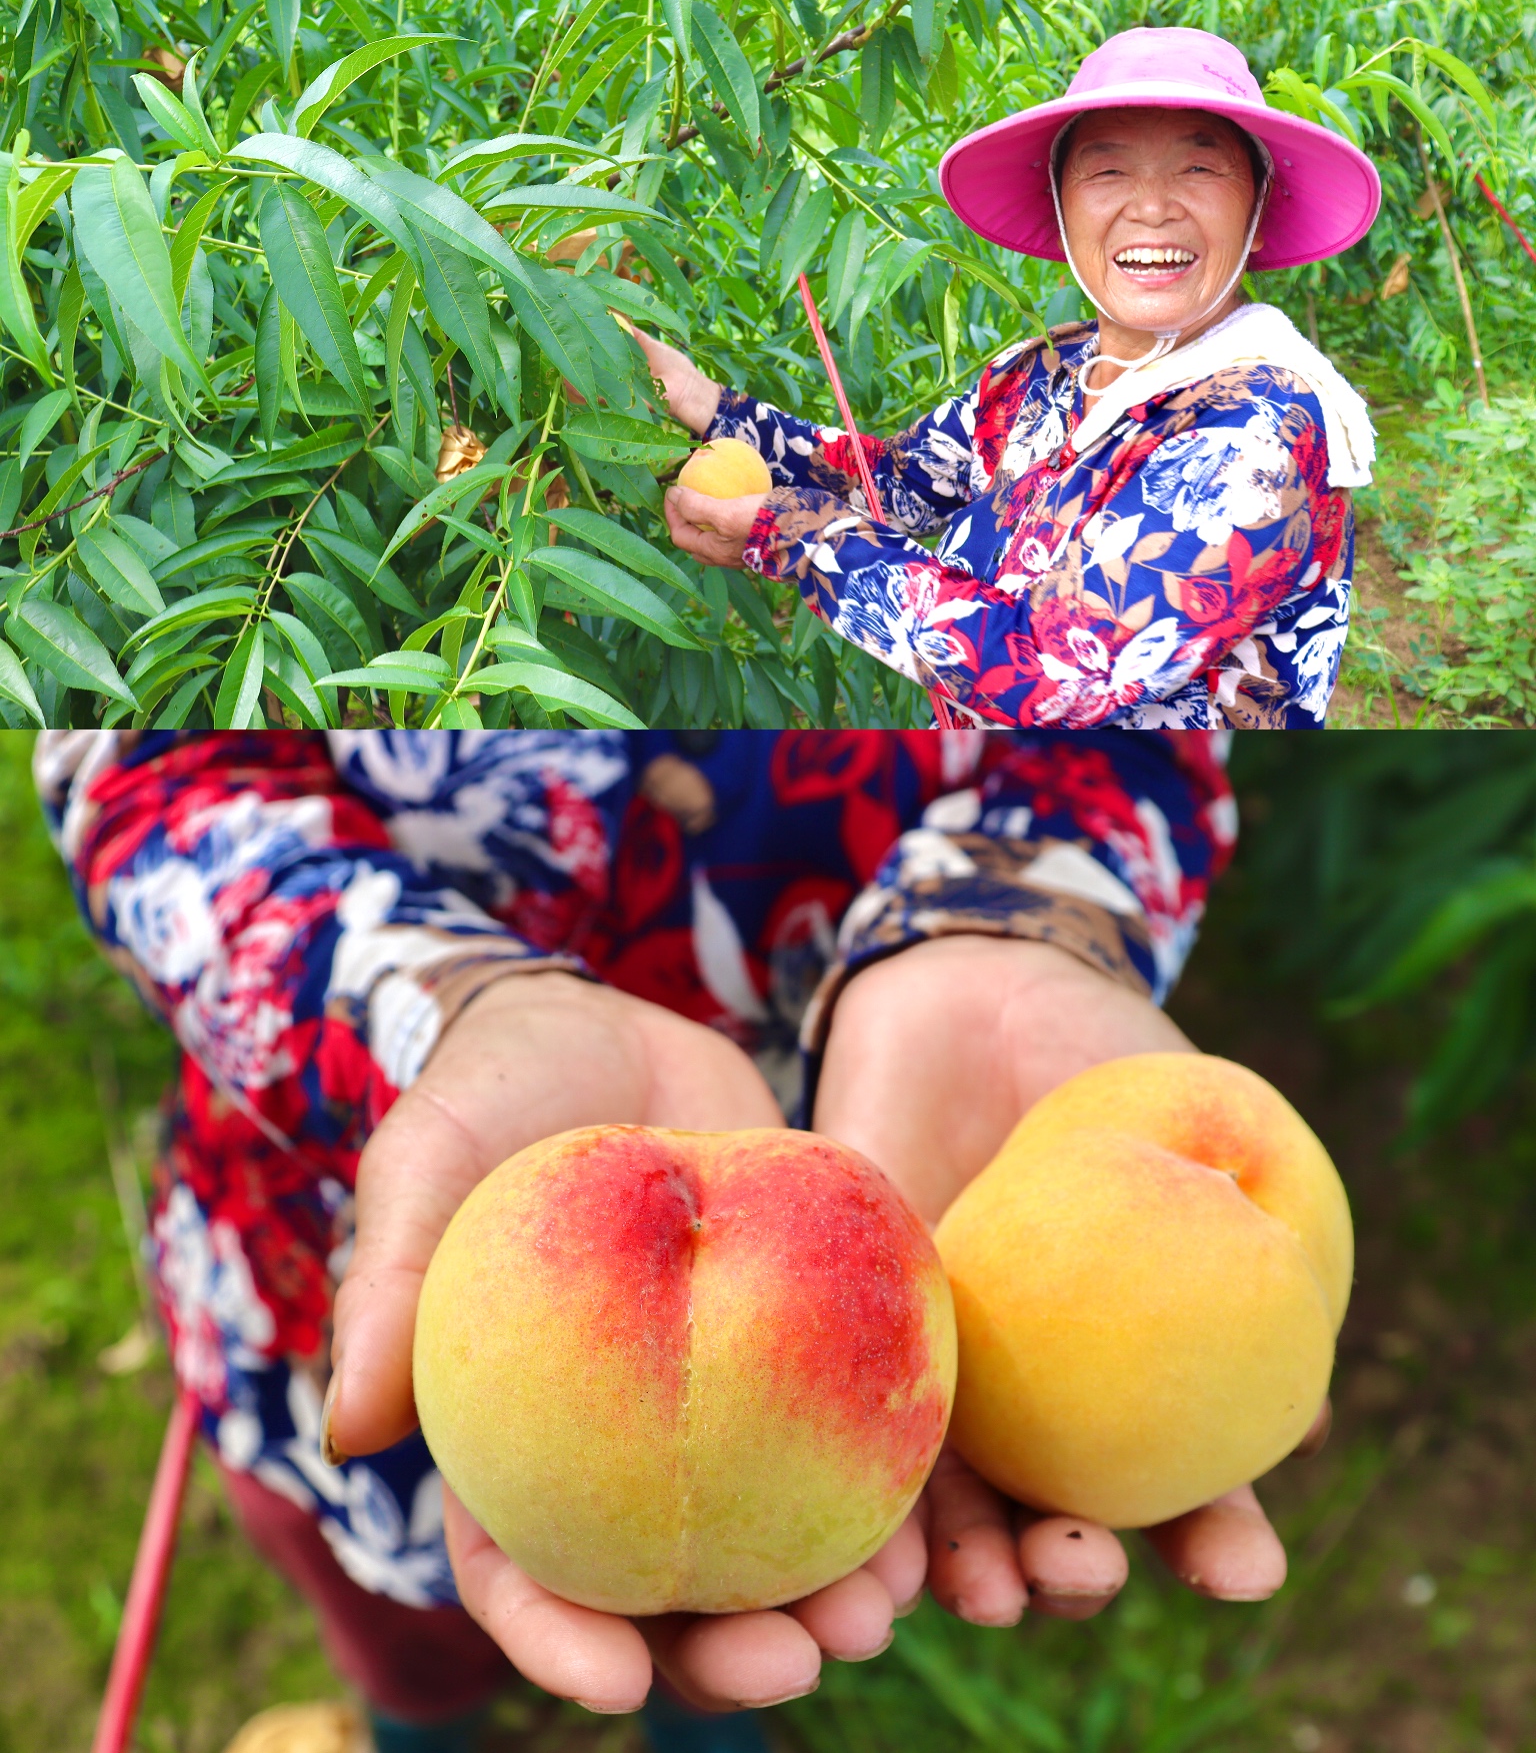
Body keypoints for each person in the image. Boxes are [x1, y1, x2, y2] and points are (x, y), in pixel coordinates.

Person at [40, 729, 1313, 1753]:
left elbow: (1150, 691)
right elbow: (139, 762)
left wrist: (1021, 914)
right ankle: (415, 1724)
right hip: (350, 1195)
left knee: (726, 1661)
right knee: (385, 1601)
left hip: (884, 1206)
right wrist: (432, 996)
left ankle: (663, 1728)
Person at [655, 26, 1382, 729]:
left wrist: (796, 538)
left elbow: (1051, 672)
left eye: (1200, 168)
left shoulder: (1262, 424)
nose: (1153, 207)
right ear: (1061, 207)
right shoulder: (1052, 371)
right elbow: (898, 483)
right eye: (1107, 170)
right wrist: (703, 403)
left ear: (1256, 214)